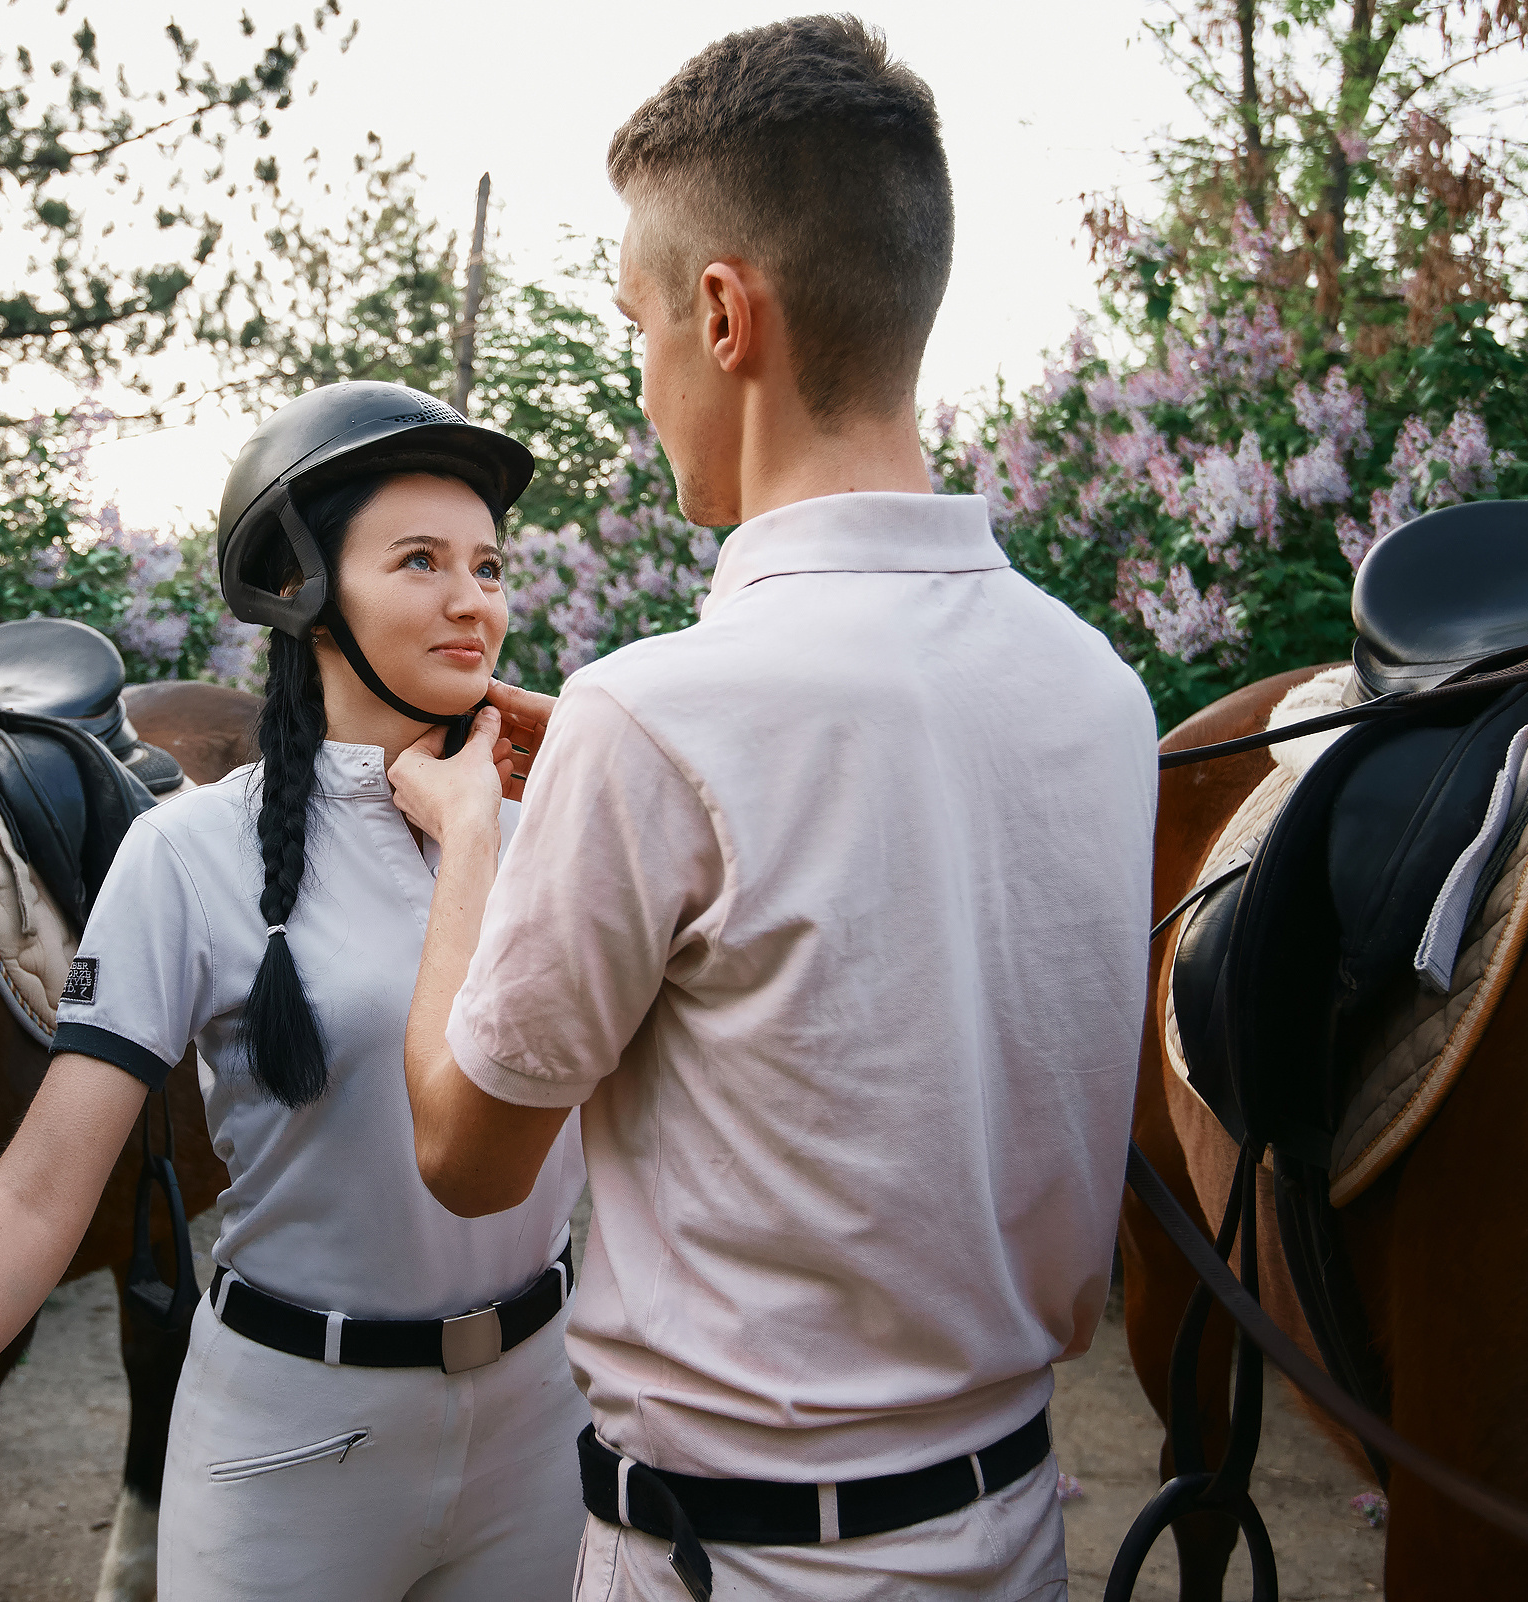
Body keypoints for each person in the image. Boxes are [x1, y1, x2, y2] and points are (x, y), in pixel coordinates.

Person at [388, 17, 1159, 1602]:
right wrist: (618, 781)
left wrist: (476, 837)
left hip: (737, 1564)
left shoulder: (658, 715)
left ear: (726, 314)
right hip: (1014, 1534)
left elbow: (466, 1153)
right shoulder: (1097, 688)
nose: (642, 381)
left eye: (639, 324)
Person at [0, 381, 590, 1602]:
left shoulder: (564, 826)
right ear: (299, 589)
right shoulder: (188, 853)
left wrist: (587, 775)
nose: (472, 598)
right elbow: (35, 1198)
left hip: (542, 1425)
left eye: (488, 565)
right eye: (420, 560)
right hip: (292, 1446)